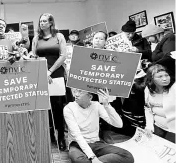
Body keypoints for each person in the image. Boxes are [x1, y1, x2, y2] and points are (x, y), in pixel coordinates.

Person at [64, 88, 135, 163]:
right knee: (80, 160)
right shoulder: (68, 108)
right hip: (77, 145)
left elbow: (119, 124)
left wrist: (106, 105)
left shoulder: (96, 106)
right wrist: (92, 157)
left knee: (127, 156)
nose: (76, 94)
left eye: (80, 92)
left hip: (96, 143)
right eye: (76, 91)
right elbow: (77, 135)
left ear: (90, 97)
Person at [30, 13, 67, 151]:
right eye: (40, 21)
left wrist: (49, 71)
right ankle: (50, 134)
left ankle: (61, 136)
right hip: (40, 73)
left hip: (55, 73)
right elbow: (33, 56)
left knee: (57, 105)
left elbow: (63, 56)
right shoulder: (36, 38)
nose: (42, 23)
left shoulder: (59, 36)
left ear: (51, 22)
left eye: (45, 21)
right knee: (44, 105)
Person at [144, 64, 175, 143]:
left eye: (166, 75)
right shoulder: (148, 89)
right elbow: (148, 109)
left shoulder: (174, 88)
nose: (165, 79)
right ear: (152, 79)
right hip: (158, 125)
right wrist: (149, 126)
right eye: (160, 76)